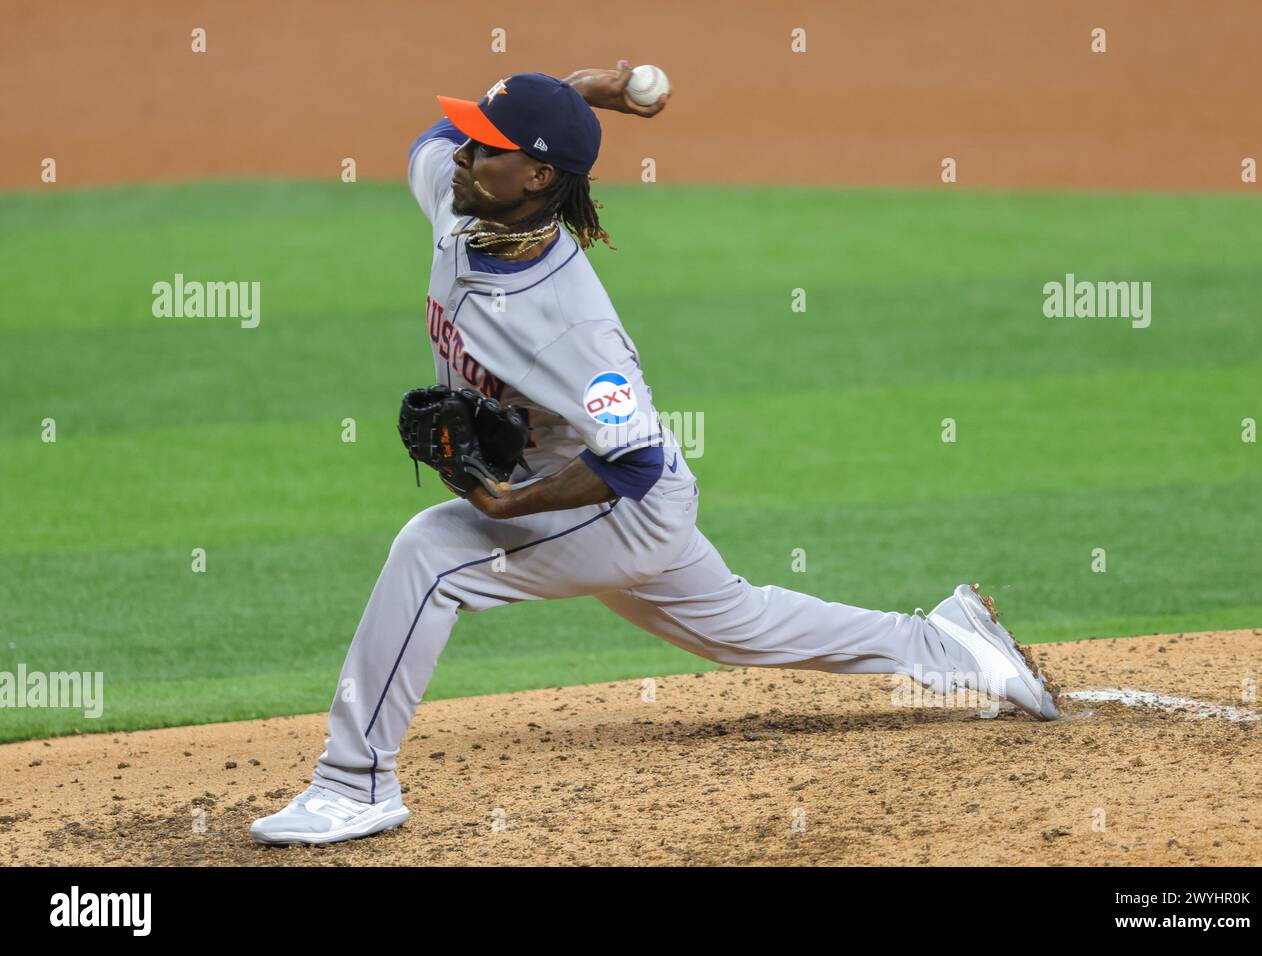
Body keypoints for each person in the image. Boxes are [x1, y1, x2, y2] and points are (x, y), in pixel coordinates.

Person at [250, 61, 1058, 846]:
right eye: (471, 139)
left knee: (431, 553)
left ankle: (353, 785)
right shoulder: (463, 196)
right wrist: (577, 90)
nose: (462, 155)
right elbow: (433, 138)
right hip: (619, 499)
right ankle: (948, 645)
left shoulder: (570, 324)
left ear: (536, 177)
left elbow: (631, 461)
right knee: (736, 625)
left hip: (619, 507)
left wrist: (506, 505)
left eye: (487, 146)